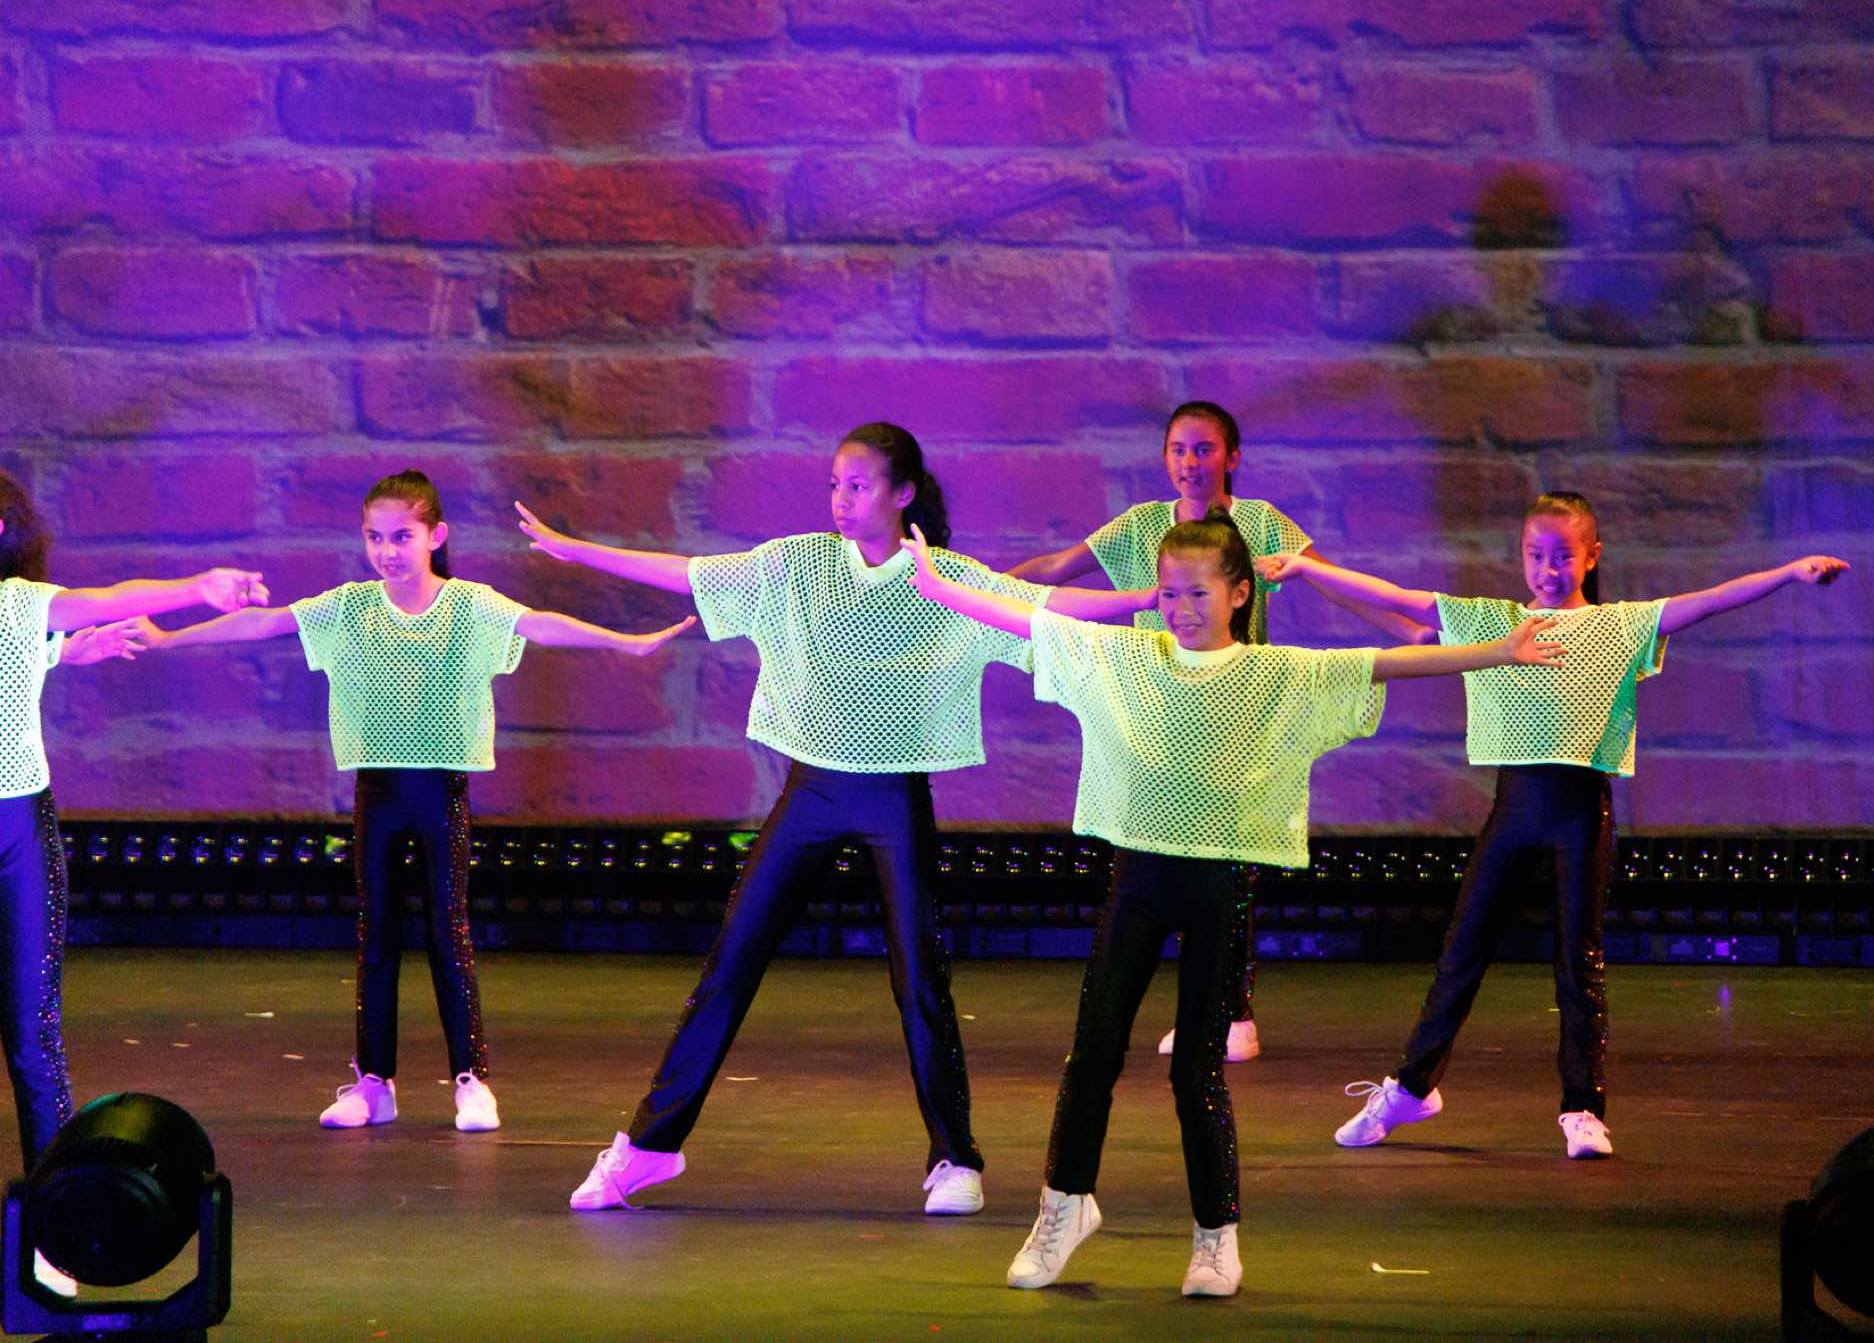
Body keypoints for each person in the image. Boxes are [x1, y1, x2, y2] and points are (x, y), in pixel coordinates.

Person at [904, 506, 1562, 1297]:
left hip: (1219, 889)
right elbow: (1028, 618)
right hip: (1138, 882)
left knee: (1196, 1071)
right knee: (1094, 1052)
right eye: (1168, 593)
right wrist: (937, 586)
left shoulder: (1274, 674)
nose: (1180, 609)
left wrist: (1499, 650)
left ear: (1240, 593)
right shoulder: (1127, 656)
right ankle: (1064, 1205)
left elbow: (1384, 662)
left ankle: (1216, 1236)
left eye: (1198, 593)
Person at [525, 423, 1151, 1217]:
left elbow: (1049, 608)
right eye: (834, 484)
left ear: (902, 494)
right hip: (813, 792)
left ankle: (955, 1157)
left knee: (920, 974)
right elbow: (688, 572)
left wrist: (1146, 599)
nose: (841, 500)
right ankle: (650, 1145)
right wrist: (576, 551)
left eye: (858, 485)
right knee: (731, 960)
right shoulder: (800, 564)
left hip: (892, 797)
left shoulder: (945, 579)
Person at [1264, 491, 1850, 1160]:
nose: (1548, 569)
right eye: (1536, 555)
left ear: (1591, 556)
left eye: (1564, 556)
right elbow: (1400, 599)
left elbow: (1709, 600)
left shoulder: (1618, 627)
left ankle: (1583, 1108)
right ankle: (1413, 1086)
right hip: (1514, 810)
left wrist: (1788, 572)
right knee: (1462, 950)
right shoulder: (1495, 623)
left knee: (1579, 961)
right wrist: (1306, 568)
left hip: (1579, 812)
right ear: (1521, 556)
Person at [140, 469, 690, 1136]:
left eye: (401, 536)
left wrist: (623, 642)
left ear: (436, 535)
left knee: (446, 930)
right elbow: (264, 625)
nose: (387, 551)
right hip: (378, 791)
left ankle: (471, 1079)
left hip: (440, 790)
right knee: (375, 933)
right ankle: (374, 1082)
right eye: (374, 537)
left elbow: (539, 624)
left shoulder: (468, 606)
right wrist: (170, 639)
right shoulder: (351, 607)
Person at [1008, 400, 1431, 1063]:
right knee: (1155, 866)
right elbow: (1058, 570)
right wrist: (961, 588)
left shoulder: (1258, 524)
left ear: (1231, 457)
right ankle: (1190, 1010)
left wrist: (1405, 630)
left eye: (1204, 449)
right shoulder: (1141, 526)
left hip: (1237, 713)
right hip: (1157, 718)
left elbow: (1326, 580)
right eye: (1178, 449)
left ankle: (1232, 1014)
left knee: (1228, 868)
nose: (1190, 462)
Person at [0, 469, 265, 1297]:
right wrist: (63, 654)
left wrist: (197, 587)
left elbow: (108, 600)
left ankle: (56, 1230)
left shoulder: (20, 603)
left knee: (33, 1033)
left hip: (16, 829)